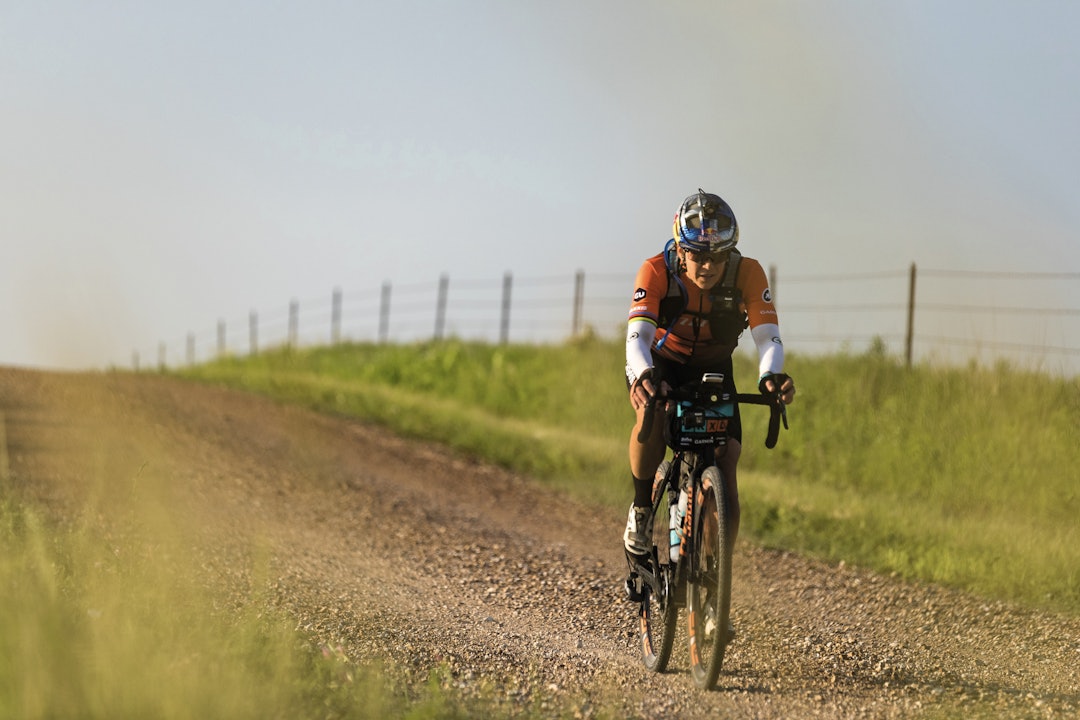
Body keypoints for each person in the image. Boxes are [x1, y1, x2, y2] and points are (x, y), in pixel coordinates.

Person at [623, 189, 796, 559]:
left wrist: (770, 376)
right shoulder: (655, 271)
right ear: (680, 249)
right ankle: (640, 509)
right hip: (661, 362)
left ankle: (718, 582)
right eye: (698, 255)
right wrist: (645, 375)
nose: (708, 266)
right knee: (652, 414)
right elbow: (637, 339)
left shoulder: (747, 273)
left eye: (718, 256)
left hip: (715, 367)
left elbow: (768, 338)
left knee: (726, 459)